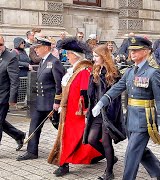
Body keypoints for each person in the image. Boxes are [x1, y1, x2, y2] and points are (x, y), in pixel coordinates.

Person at [91, 36, 160, 180]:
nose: (132, 53)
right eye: (131, 50)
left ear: (146, 51)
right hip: (131, 118)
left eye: (136, 50)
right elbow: (116, 88)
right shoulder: (129, 71)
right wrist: (102, 102)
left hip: (145, 119)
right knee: (139, 149)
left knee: (131, 152)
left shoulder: (153, 72)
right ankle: (159, 171)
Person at [47, 37, 101, 177]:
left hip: (76, 114)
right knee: (73, 138)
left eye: (68, 54)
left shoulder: (84, 70)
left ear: (74, 55)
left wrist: (84, 111)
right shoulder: (74, 69)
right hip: (68, 112)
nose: (67, 56)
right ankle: (101, 153)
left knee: (71, 139)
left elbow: (85, 94)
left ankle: (63, 164)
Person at [17, 36, 65, 161]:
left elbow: (59, 84)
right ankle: (32, 152)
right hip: (41, 102)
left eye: (38, 47)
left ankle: (76, 147)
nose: (36, 50)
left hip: (51, 103)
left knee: (60, 127)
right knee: (34, 125)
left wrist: (57, 102)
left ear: (46, 48)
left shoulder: (54, 62)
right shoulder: (43, 61)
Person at [84, 44, 125, 180]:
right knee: (91, 139)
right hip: (96, 112)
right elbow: (91, 93)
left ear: (103, 57)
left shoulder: (112, 73)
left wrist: (110, 114)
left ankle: (109, 172)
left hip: (108, 113)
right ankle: (111, 158)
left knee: (107, 142)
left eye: (96, 56)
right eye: (94, 56)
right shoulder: (95, 70)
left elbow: (115, 97)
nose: (94, 58)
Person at [0, 36, 26, 151]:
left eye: (0, 44)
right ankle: (18, 135)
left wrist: (12, 99)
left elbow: (14, 80)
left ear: (3, 43)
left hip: (3, 96)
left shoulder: (10, 57)